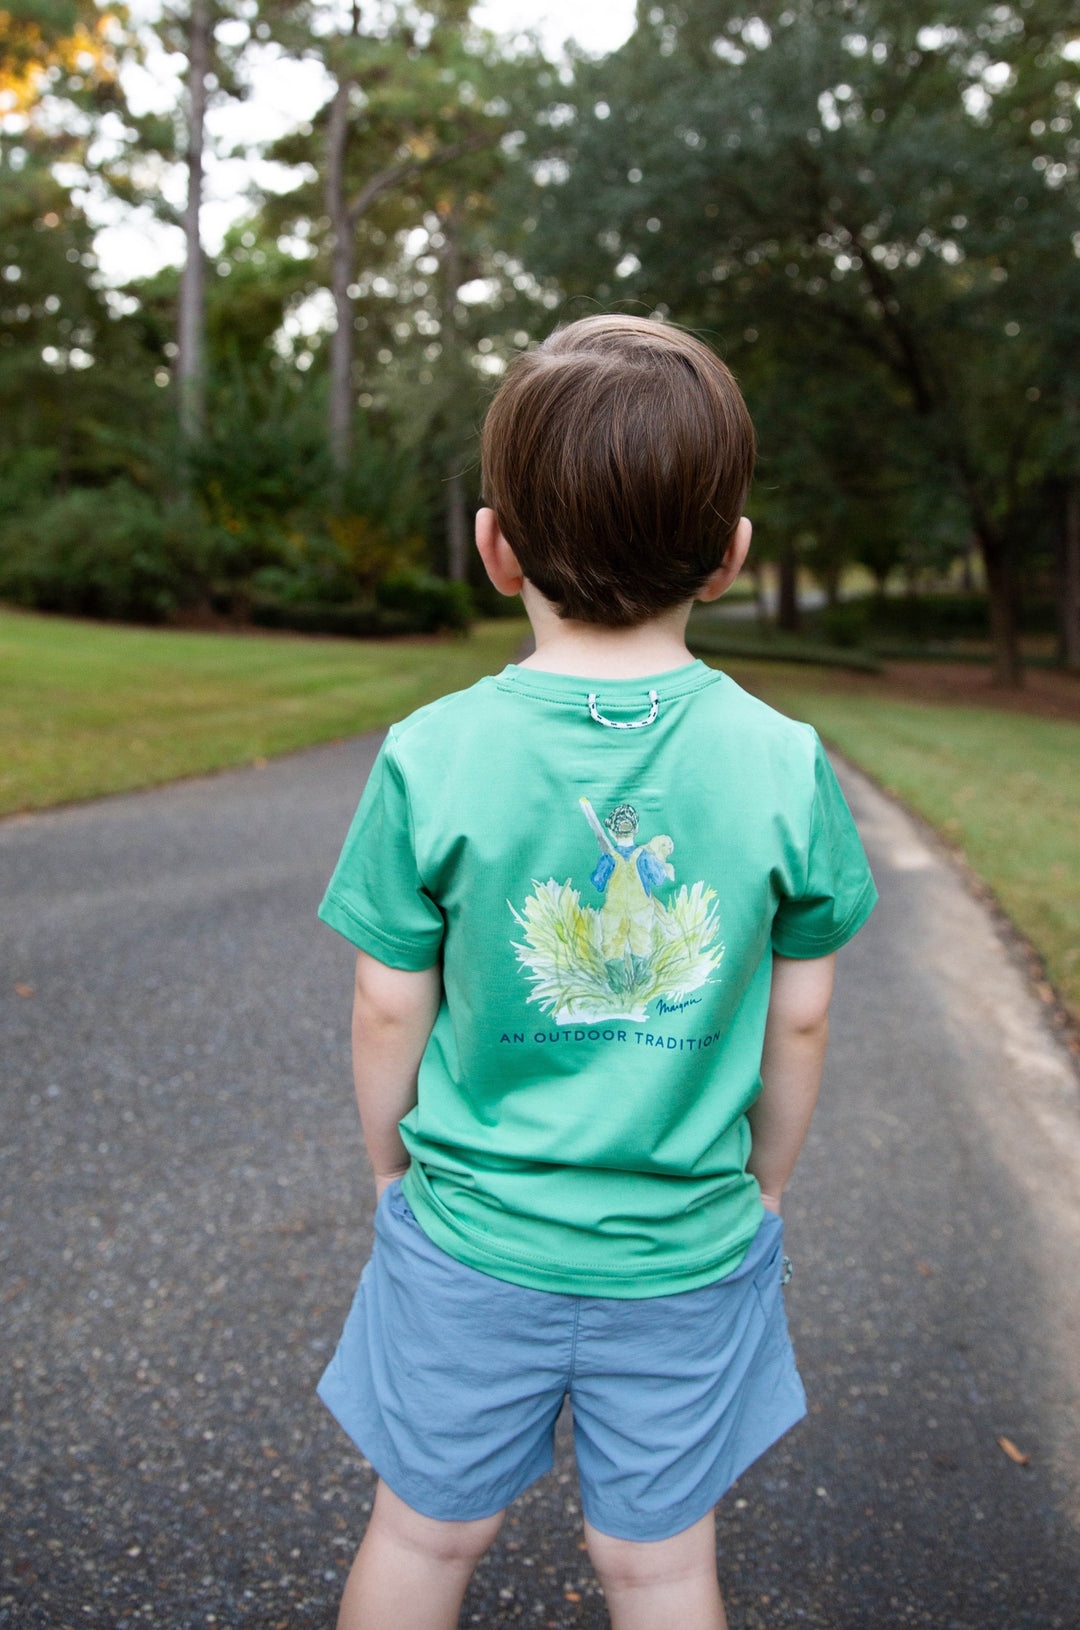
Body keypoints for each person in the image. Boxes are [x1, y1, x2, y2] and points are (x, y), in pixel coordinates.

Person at [314, 314, 877, 1630]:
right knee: (661, 1565)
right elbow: (803, 1015)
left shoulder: (431, 753)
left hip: (470, 1238)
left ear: (494, 542)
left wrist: (394, 1170)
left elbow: (387, 997)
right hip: (687, 1245)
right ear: (733, 554)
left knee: (424, 1533)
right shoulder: (785, 762)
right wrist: (766, 1185)